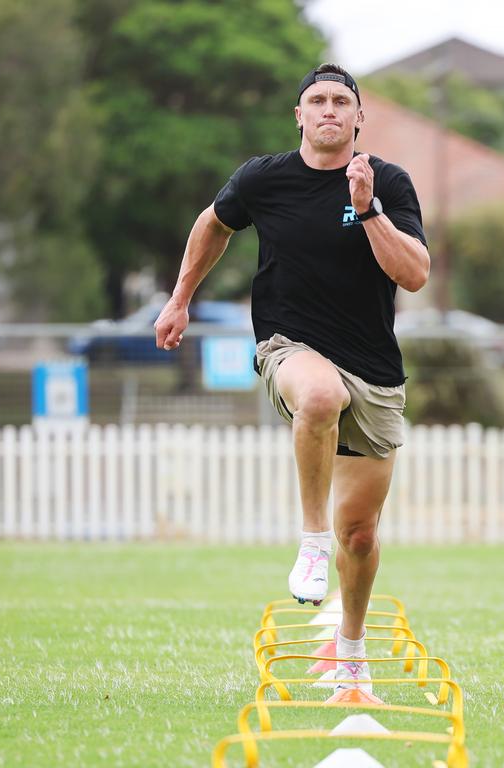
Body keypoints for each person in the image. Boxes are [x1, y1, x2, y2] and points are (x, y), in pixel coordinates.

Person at [153, 63, 430, 702]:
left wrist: (368, 212)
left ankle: (352, 658)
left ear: (359, 118)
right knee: (318, 394)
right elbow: (212, 223)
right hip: (290, 346)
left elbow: (413, 276)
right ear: (299, 116)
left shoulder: (387, 182)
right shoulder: (263, 178)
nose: (329, 110)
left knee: (359, 537)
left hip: (376, 371)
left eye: (341, 101)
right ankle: (309, 541)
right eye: (317, 101)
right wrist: (179, 298)